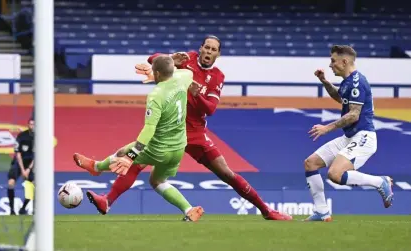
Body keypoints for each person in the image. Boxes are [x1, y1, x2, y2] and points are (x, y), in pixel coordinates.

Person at [83, 35, 292, 221]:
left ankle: (266, 210)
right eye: (206, 47)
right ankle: (107, 200)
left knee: (226, 173)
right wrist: (172, 58)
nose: (209, 52)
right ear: (200, 49)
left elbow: (210, 109)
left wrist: (196, 93)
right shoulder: (187, 59)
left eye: (213, 49)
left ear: (218, 54)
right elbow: (153, 60)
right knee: (136, 165)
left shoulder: (217, 77)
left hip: (195, 132)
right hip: (169, 129)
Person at [74, 55, 204, 221]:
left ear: (156, 73)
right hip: (178, 148)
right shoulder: (184, 77)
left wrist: (132, 156)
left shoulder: (156, 95)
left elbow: (149, 129)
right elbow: (181, 72)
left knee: (123, 154)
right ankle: (189, 209)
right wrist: (168, 64)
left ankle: (97, 167)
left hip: (158, 148)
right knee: (158, 181)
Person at [304, 45, 394, 222]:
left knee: (335, 174)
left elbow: (354, 115)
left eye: (333, 60)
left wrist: (327, 128)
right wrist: (325, 81)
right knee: (311, 163)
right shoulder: (348, 82)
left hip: (364, 137)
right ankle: (322, 212)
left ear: (344, 61)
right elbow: (340, 97)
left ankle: (380, 182)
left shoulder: (357, 82)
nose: (330, 65)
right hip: (350, 137)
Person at [7, 118, 35, 215]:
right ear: (28, 125)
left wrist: (28, 169)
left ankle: (23, 208)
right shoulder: (22, 136)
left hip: (30, 165)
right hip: (18, 163)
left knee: (34, 185)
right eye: (31, 124)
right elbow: (18, 154)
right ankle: (11, 210)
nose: (32, 126)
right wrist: (23, 170)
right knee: (11, 183)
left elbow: (36, 156)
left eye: (34, 124)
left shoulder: (39, 138)